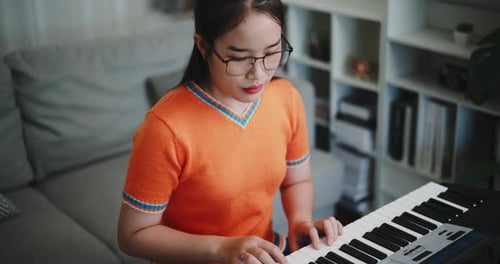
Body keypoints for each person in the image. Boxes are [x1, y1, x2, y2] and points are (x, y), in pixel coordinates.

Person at [117, 0, 343, 263]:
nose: (258, 74)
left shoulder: (286, 99)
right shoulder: (165, 128)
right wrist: (221, 250)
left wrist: (300, 221)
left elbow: (297, 180)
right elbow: (132, 234)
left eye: (271, 52)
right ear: (203, 47)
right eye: (238, 58)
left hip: (264, 254)